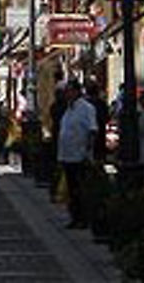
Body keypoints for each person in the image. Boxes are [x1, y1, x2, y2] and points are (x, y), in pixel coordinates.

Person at [57, 78, 98, 229]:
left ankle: (83, 218)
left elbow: (92, 131)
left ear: (76, 91)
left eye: (69, 91)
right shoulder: (69, 108)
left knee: (80, 189)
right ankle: (75, 217)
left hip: (80, 155)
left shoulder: (87, 108)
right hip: (67, 155)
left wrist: (88, 151)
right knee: (72, 189)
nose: (66, 94)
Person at [84, 79, 109, 165]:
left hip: (88, 137)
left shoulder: (84, 105)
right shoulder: (101, 104)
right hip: (100, 135)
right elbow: (106, 118)